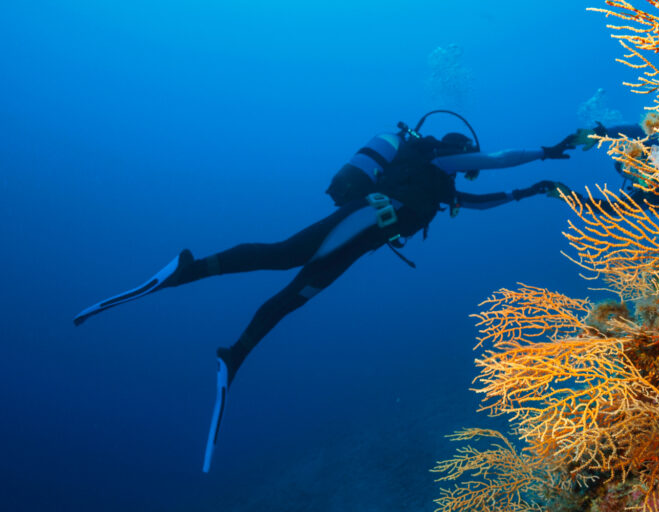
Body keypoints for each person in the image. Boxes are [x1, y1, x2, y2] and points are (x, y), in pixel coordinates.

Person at [72, 110, 576, 471]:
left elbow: (478, 199)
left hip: (358, 244)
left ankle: (236, 353)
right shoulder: (434, 162)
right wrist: (544, 153)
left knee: (293, 293)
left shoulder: (440, 187)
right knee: (284, 257)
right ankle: (186, 272)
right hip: (358, 223)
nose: (468, 161)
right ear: (453, 149)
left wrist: (521, 194)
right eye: (465, 154)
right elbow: (498, 159)